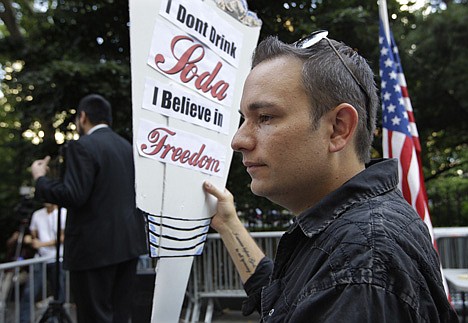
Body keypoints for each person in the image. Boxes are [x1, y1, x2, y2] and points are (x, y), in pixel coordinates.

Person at [203, 32, 459, 322]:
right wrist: (228, 224)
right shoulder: (352, 238)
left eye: (265, 117)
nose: (238, 140)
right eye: (243, 119)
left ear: (338, 128)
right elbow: (285, 301)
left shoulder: (360, 263)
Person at [31, 94, 147, 323]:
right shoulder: (128, 147)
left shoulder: (81, 146)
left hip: (94, 249)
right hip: (128, 245)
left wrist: (40, 180)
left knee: (94, 316)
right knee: (120, 315)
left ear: (82, 117)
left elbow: (74, 194)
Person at [20, 203, 66, 323]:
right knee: (29, 292)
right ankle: (24, 320)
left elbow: (64, 237)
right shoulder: (38, 214)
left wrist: (42, 244)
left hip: (57, 258)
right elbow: (34, 235)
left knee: (59, 295)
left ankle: (56, 319)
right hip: (40, 258)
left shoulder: (63, 213)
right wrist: (30, 239)